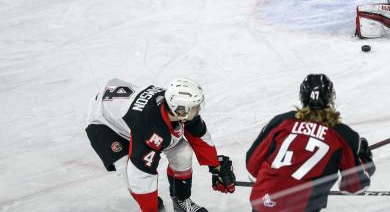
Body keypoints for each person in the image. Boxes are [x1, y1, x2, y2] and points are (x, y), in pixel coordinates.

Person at [85, 77, 236, 212]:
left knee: (182, 151)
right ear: (180, 110)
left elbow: (200, 137)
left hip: (123, 108)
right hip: (102, 122)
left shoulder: (176, 107)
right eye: (195, 107)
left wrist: (216, 167)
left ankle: (181, 200)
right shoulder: (151, 129)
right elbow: (141, 174)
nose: (197, 110)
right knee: (128, 171)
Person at [246, 74, 375, 212]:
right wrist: (365, 161)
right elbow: (355, 187)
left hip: (263, 203)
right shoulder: (344, 135)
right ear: (330, 98)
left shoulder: (281, 122)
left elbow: (252, 167)